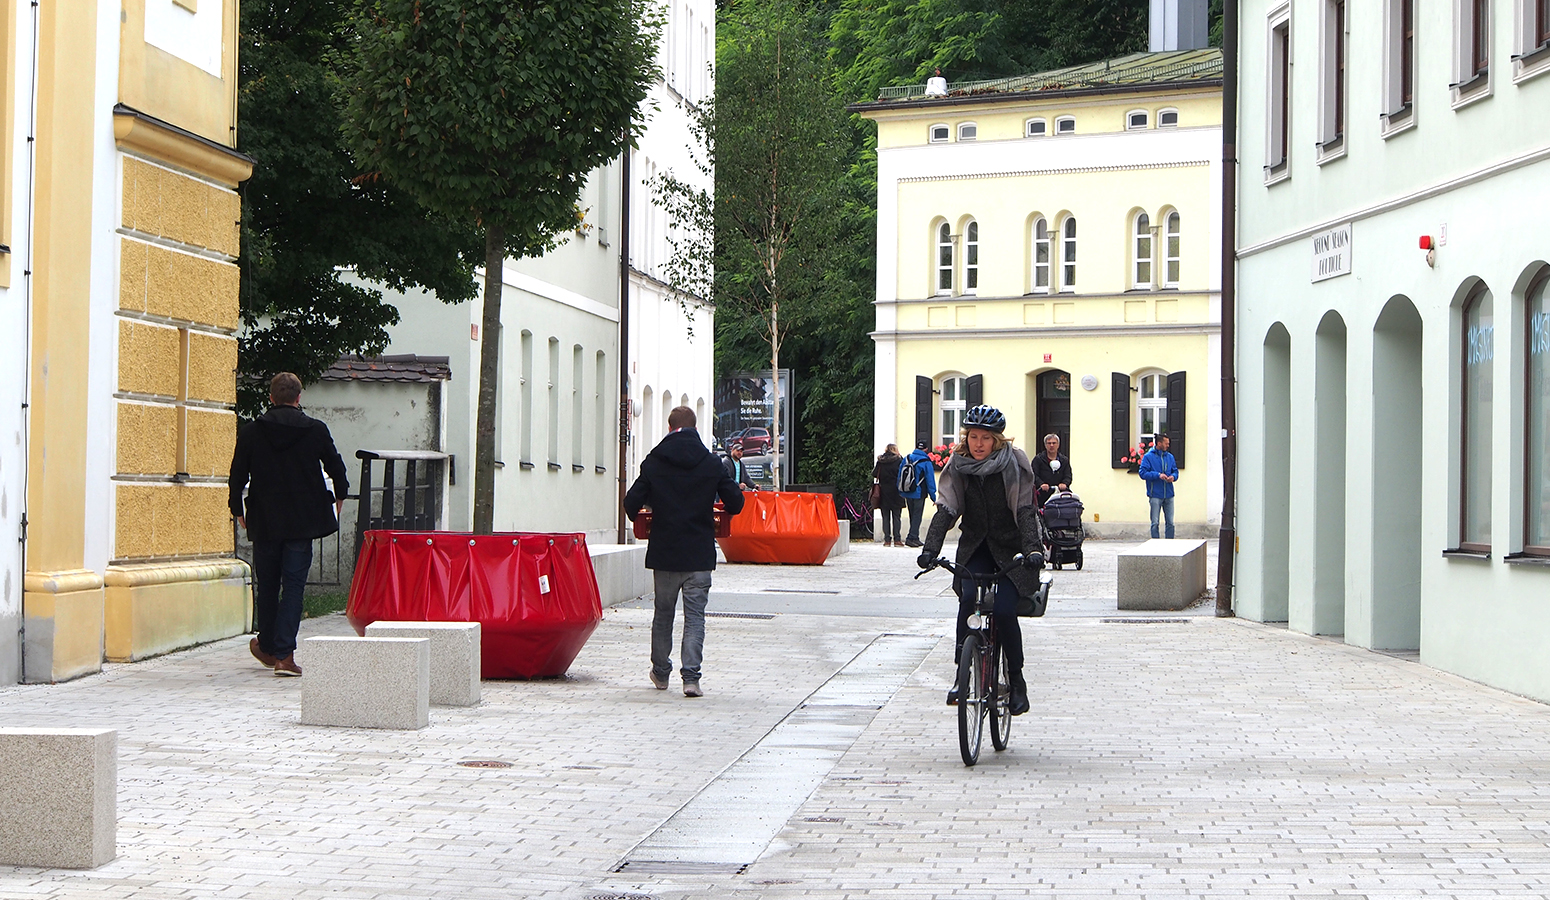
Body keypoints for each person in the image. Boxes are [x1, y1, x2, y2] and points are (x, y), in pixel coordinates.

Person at [918, 405, 1043, 715]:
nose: (978, 444)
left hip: (1011, 550)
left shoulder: (1014, 464)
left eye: (985, 438)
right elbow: (946, 508)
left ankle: (1016, 680)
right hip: (976, 548)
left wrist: (1033, 550)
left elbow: (1025, 511)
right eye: (973, 436)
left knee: (1003, 610)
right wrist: (930, 549)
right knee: (968, 598)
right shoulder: (958, 465)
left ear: (996, 440)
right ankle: (963, 675)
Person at [229, 372, 349, 677]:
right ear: (299, 398)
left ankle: (268, 645)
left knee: (267, 585)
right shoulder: (315, 430)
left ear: (271, 398)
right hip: (302, 521)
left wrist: (236, 508)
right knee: (293, 586)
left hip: (265, 518)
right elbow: (336, 467)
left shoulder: (252, 432)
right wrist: (340, 496)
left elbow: (237, 474)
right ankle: (284, 654)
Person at [624, 406, 746, 697]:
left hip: (665, 552)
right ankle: (691, 679)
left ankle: (661, 673)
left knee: (663, 614)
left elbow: (631, 504)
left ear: (669, 429)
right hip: (699, 553)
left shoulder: (654, 462)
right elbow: (737, 503)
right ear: (695, 429)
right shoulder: (710, 462)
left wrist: (650, 506)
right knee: (695, 617)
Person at [1138, 433, 1180, 539]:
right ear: (1159, 443)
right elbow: (1142, 473)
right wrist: (1157, 475)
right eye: (1166, 443)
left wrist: (1173, 477)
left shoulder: (1170, 457)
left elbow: (1175, 471)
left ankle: (1169, 544)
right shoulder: (1148, 457)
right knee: (1155, 522)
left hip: (1169, 494)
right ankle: (1155, 544)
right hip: (1155, 494)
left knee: (1170, 522)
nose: (1168, 445)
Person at [900, 440, 938, 548]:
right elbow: (930, 480)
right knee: (917, 516)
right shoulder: (926, 461)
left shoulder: (907, 458)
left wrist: (901, 491)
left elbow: (900, 476)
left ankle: (915, 537)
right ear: (926, 449)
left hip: (907, 492)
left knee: (912, 515)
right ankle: (911, 538)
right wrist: (934, 497)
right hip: (919, 492)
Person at [872, 444, 906, 547]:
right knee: (896, 516)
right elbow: (903, 473)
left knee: (885, 517)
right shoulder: (899, 460)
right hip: (896, 491)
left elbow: (874, 473)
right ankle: (897, 539)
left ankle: (887, 540)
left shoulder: (881, 461)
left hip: (883, 491)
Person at [1032, 433, 1073, 508]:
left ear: (1058, 445)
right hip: (1042, 494)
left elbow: (1068, 475)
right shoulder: (1038, 459)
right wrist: (1041, 484)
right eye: (1049, 443)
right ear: (1045, 445)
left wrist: (1064, 483)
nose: (1051, 445)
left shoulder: (1064, 460)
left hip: (1059, 494)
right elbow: (1033, 475)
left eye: (1054, 443)